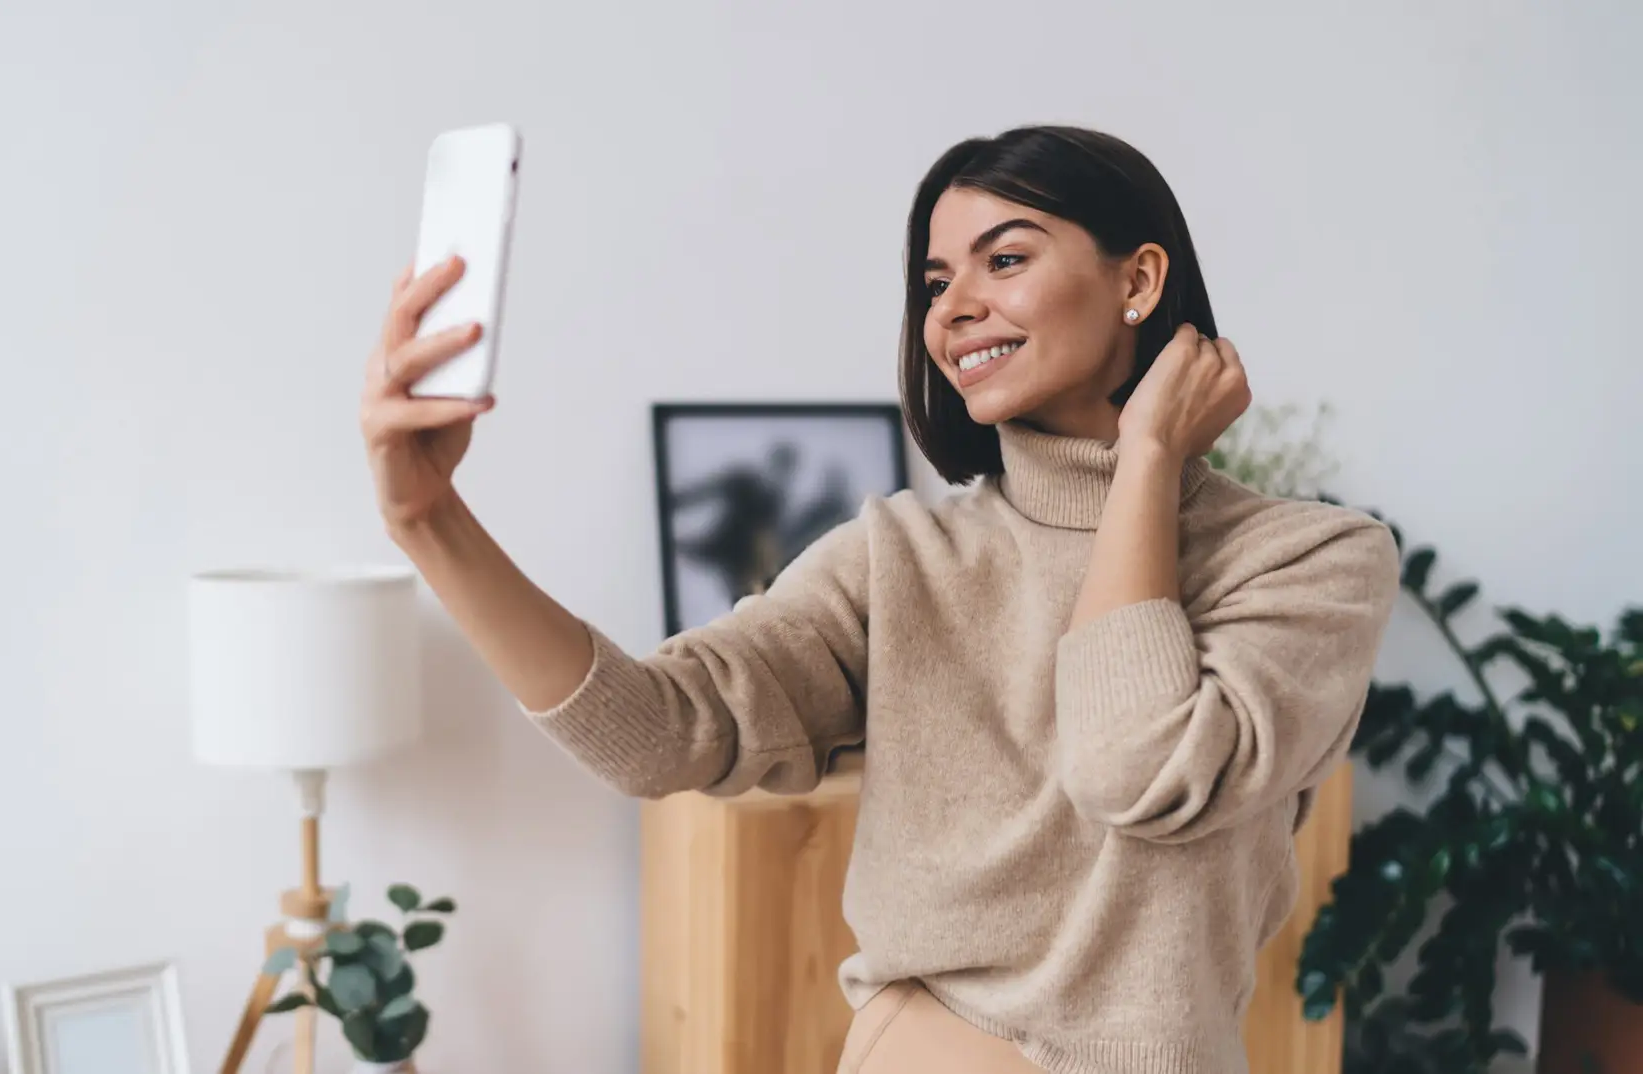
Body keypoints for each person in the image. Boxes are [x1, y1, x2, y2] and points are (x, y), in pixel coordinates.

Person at [357, 126, 1399, 1074]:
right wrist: (429, 521)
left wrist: (1149, 461)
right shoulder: (900, 558)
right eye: (935, 280)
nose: (952, 307)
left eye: (1006, 258)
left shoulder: (1310, 563)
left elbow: (1132, 762)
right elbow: (657, 733)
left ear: (1140, 279)